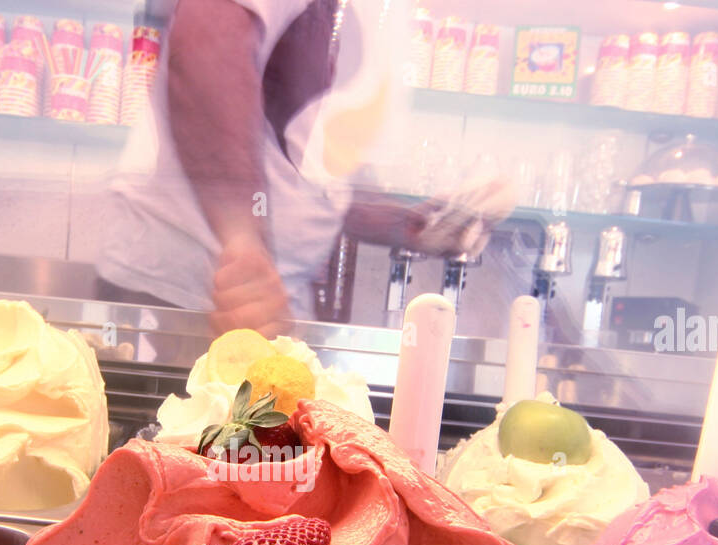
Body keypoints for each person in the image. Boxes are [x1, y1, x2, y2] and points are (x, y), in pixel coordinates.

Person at [96, 0, 511, 341]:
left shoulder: (381, 15)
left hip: (268, 309)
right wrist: (244, 243)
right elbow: (208, 41)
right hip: (189, 302)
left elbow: (315, 176)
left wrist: (409, 225)